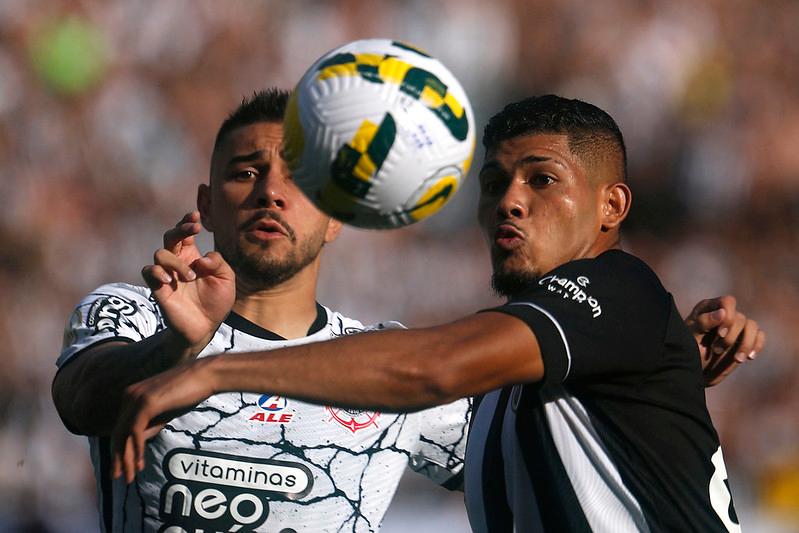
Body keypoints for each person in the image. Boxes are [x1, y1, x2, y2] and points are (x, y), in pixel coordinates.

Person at [108, 95, 765, 532]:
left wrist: (217, 373)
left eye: (541, 180)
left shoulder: (617, 286)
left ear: (610, 206)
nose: (509, 201)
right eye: (493, 183)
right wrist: (666, 371)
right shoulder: (523, 384)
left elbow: (431, 367)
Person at [52, 89, 471, 533]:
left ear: (335, 217)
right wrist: (178, 347)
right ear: (208, 205)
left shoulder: (385, 366)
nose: (270, 191)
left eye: (299, 178)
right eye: (247, 172)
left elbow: (529, 465)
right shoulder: (138, 315)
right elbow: (81, 405)